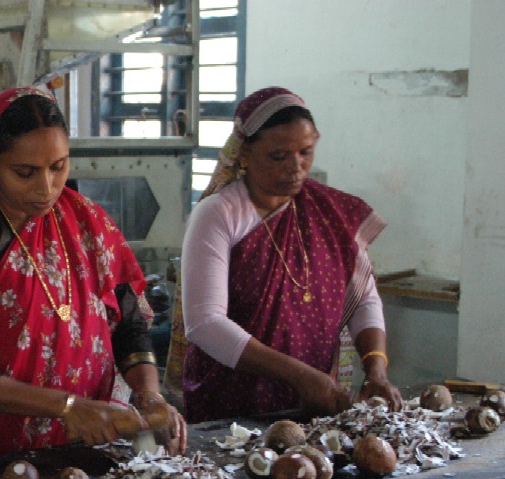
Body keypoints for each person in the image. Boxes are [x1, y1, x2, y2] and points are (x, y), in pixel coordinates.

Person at [0, 87, 186, 463]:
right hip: (6, 455)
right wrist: (68, 406)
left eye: (58, 167)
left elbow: (130, 325)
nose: (46, 189)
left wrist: (149, 396)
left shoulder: (89, 223)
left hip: (99, 437)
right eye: (25, 172)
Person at [170, 86, 402, 424]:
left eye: (306, 152)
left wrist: (376, 368)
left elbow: (364, 298)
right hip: (232, 403)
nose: (297, 167)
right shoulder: (219, 214)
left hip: (312, 401)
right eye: (279, 156)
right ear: (245, 154)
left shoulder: (329, 212)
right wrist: (300, 375)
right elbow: (206, 324)